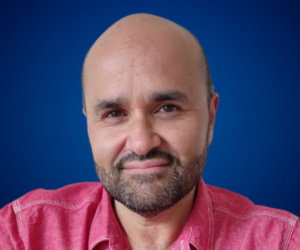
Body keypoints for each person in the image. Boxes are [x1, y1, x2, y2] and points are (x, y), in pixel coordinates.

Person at [0, 13, 299, 250]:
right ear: (89, 126)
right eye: (114, 114)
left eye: (167, 108)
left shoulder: (283, 242)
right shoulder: (22, 234)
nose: (142, 143)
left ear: (211, 117)